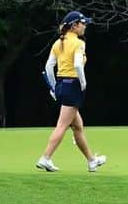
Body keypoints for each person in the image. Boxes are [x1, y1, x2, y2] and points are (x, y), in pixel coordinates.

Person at [35, 11, 107, 173]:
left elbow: (48, 67)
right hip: (73, 85)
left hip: (61, 85)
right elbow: (78, 65)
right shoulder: (79, 43)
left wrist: (54, 87)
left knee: (78, 127)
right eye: (83, 23)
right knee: (62, 125)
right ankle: (45, 158)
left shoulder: (58, 43)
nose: (85, 26)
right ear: (74, 26)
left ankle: (91, 161)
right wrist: (83, 83)